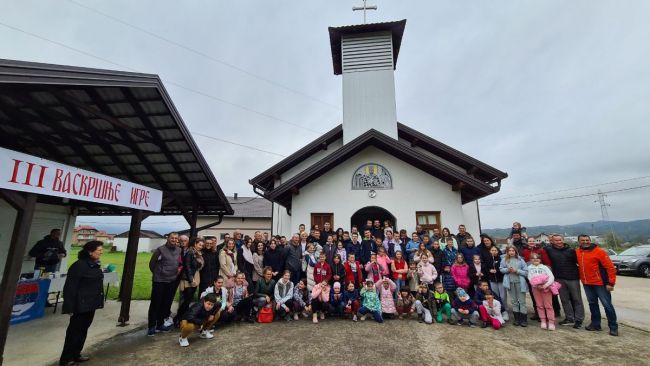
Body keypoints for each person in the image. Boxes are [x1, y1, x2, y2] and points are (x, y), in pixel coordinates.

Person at [59, 241, 104, 366]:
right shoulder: (79, 266)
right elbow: (70, 287)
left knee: (83, 330)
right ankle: (66, 359)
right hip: (80, 305)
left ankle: (76, 354)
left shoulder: (94, 265)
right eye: (99, 250)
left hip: (90, 304)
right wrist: (69, 306)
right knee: (74, 332)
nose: (101, 252)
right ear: (90, 252)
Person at [576, 234, 618, 336]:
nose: (585, 242)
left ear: (590, 240)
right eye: (583, 240)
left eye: (587, 240)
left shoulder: (599, 251)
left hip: (600, 284)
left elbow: (610, 268)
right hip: (587, 283)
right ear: (579, 242)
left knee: (607, 305)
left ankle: (613, 327)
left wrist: (610, 283)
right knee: (592, 304)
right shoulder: (578, 252)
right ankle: (595, 324)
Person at [545, 234, 585, 329]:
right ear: (552, 241)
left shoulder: (571, 251)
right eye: (556, 240)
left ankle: (579, 319)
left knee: (577, 299)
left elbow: (579, 262)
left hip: (572, 278)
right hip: (559, 278)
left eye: (560, 240)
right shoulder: (549, 250)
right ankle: (569, 318)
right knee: (564, 299)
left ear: (563, 240)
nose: (559, 242)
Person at [147, 233, 181, 336]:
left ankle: (160, 324)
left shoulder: (179, 250)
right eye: (172, 238)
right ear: (168, 238)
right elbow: (151, 264)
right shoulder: (160, 250)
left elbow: (178, 263)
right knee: (155, 304)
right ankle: (152, 326)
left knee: (165, 303)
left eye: (176, 238)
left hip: (171, 281)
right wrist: (159, 273)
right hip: (159, 281)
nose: (174, 240)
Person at [175, 238, 204, 325]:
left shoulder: (198, 253)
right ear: (195, 244)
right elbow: (187, 267)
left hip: (195, 276)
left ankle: (183, 318)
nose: (201, 247)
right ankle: (178, 319)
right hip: (189, 278)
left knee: (189, 300)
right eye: (199, 245)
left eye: (202, 245)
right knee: (186, 301)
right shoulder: (190, 253)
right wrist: (191, 280)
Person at [500, 245, 529, 327]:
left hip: (520, 283)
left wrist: (517, 271)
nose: (511, 252)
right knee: (514, 301)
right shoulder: (504, 260)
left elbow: (526, 272)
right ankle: (517, 319)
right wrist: (507, 270)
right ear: (507, 252)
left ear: (516, 251)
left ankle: (524, 319)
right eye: (510, 251)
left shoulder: (520, 260)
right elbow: (501, 269)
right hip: (510, 283)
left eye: (513, 251)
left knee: (522, 301)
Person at [527, 253, 556, 330]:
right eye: (533, 258)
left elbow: (551, 277)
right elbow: (530, 277)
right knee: (539, 305)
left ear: (540, 259)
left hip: (546, 288)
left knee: (548, 305)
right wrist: (536, 285)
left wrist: (545, 285)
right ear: (530, 260)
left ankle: (551, 322)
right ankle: (543, 320)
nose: (535, 259)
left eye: (537, 258)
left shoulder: (544, 267)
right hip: (536, 288)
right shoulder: (529, 268)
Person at [485, 246, 508, 321]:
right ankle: (498, 311)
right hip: (492, 280)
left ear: (498, 251)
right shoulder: (488, 259)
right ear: (490, 251)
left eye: (495, 250)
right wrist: (489, 270)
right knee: (496, 296)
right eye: (492, 250)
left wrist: (497, 270)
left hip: (501, 280)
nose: (494, 251)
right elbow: (486, 268)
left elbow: (503, 267)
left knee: (503, 296)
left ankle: (505, 311)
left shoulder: (501, 259)